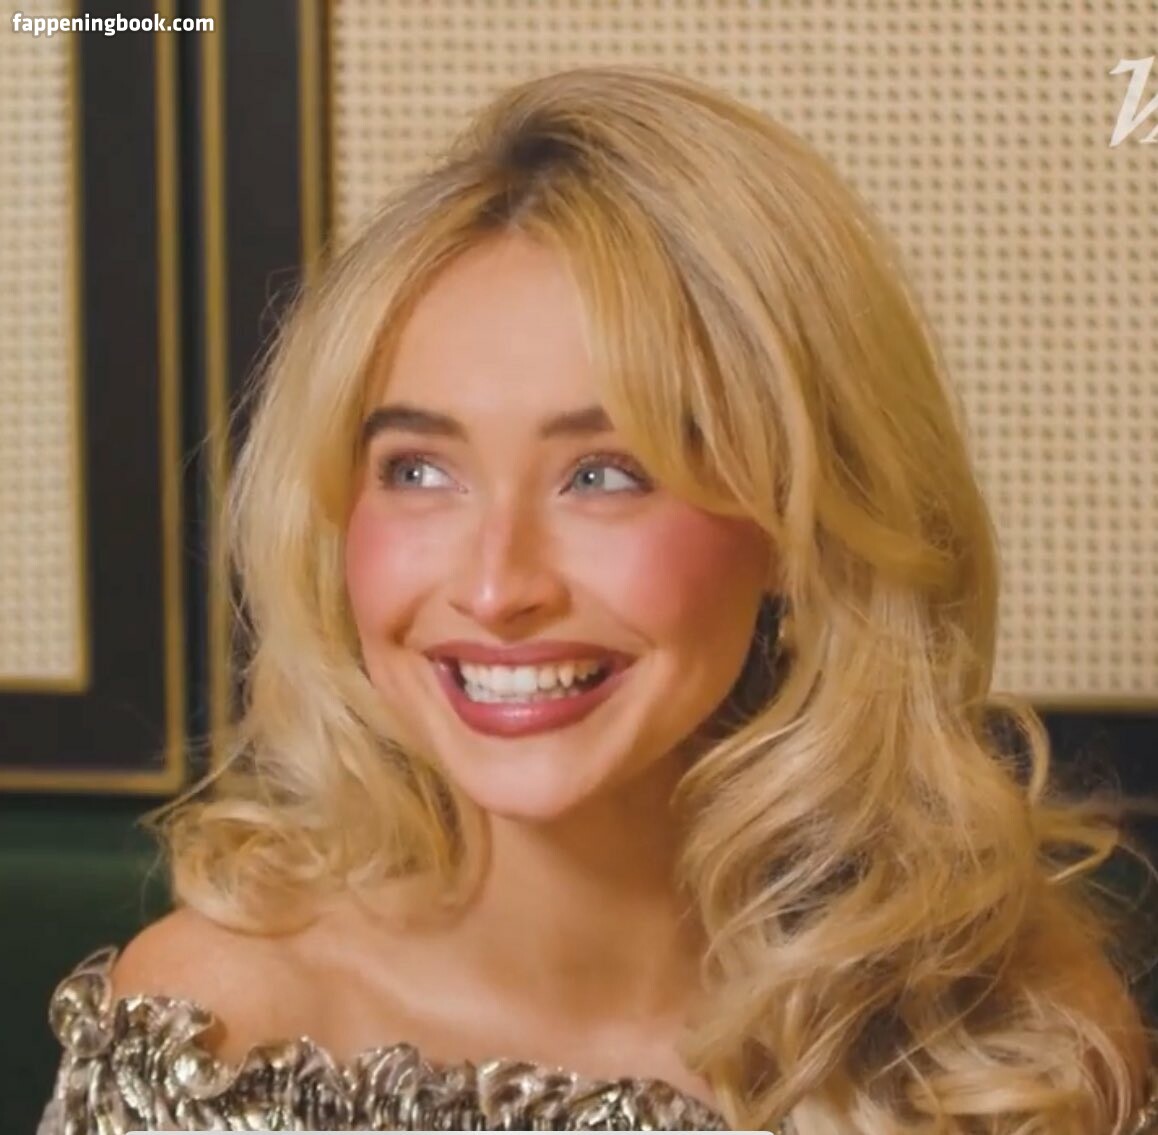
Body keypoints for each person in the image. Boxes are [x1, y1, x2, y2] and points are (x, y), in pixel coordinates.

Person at [38, 64, 1156, 1134]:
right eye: (419, 469)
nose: (495, 586)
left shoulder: (1010, 1047)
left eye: (606, 475)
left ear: (798, 523)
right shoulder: (215, 1034)